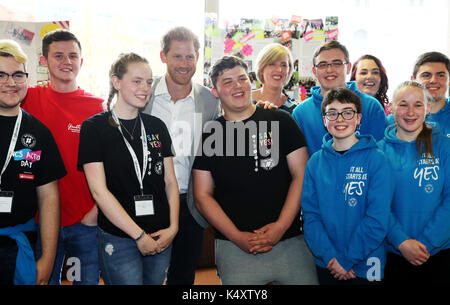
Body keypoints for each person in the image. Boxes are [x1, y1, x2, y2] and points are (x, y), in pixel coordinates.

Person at [193, 56, 317, 285]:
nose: (237, 86)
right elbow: (202, 196)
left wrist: (280, 227)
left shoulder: (282, 121)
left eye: (241, 78)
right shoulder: (210, 134)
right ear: (216, 92)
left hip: (290, 241)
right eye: (227, 81)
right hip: (235, 246)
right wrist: (236, 236)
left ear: (250, 81)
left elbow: (302, 175)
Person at [78, 53, 179, 285]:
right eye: (136, 81)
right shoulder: (94, 128)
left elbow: (170, 182)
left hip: (161, 233)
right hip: (120, 236)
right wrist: (139, 235)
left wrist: (173, 227)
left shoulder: (156, 126)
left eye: (148, 82)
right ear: (117, 82)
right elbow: (99, 192)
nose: (144, 88)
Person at [21, 29, 103, 285]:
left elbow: (111, 164)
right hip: (40, 221)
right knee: (41, 281)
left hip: (84, 222)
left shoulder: (97, 107)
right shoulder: (27, 98)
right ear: (44, 61)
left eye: (72, 56)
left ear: (82, 61)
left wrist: (95, 211)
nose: (67, 61)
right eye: (58, 55)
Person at [142, 26, 220, 285]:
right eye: (177, 56)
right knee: (148, 275)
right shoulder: (144, 93)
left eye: (190, 56)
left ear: (198, 57)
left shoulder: (208, 101)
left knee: (183, 276)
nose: (184, 64)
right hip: (149, 199)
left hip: (190, 203)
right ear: (163, 56)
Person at [301, 87, 393, 285]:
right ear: (324, 120)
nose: (340, 119)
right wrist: (331, 258)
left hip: (368, 262)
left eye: (348, 112)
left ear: (358, 118)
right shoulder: (315, 162)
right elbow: (311, 217)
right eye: (332, 113)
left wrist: (346, 260)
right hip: (327, 262)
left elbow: (377, 218)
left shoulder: (377, 159)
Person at [0, 40, 66, 285]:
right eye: (1, 75)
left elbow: (49, 198)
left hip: (19, 244)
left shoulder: (39, 133)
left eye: (17, 74)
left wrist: (48, 259)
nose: (10, 82)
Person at [378, 81, 450, 284]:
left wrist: (426, 243)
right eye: (403, 104)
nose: (410, 112)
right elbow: (377, 205)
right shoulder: (377, 153)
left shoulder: (445, 147)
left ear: (427, 109)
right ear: (391, 107)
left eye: (418, 104)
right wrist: (401, 241)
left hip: (439, 252)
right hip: (394, 252)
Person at [292, 40, 387, 156]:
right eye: (322, 65)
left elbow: (382, 155)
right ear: (314, 71)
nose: (330, 70)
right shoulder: (301, 113)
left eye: (337, 63)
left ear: (348, 67)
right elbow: (298, 163)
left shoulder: (371, 106)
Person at [411, 52, 450, 138]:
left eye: (440, 75)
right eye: (426, 75)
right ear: (413, 80)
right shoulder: (399, 117)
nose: (433, 80)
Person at [252, 43, 297, 114]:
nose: (279, 69)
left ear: (289, 70)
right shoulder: (244, 101)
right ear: (261, 68)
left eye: (283, 65)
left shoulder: (295, 110)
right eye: (272, 64)